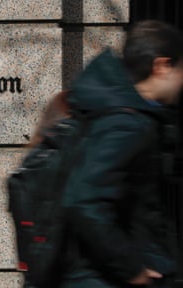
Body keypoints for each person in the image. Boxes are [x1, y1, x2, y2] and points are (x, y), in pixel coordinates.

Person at [60, 20, 183, 287]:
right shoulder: (126, 123)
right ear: (161, 66)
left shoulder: (127, 113)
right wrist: (131, 269)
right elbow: (83, 201)